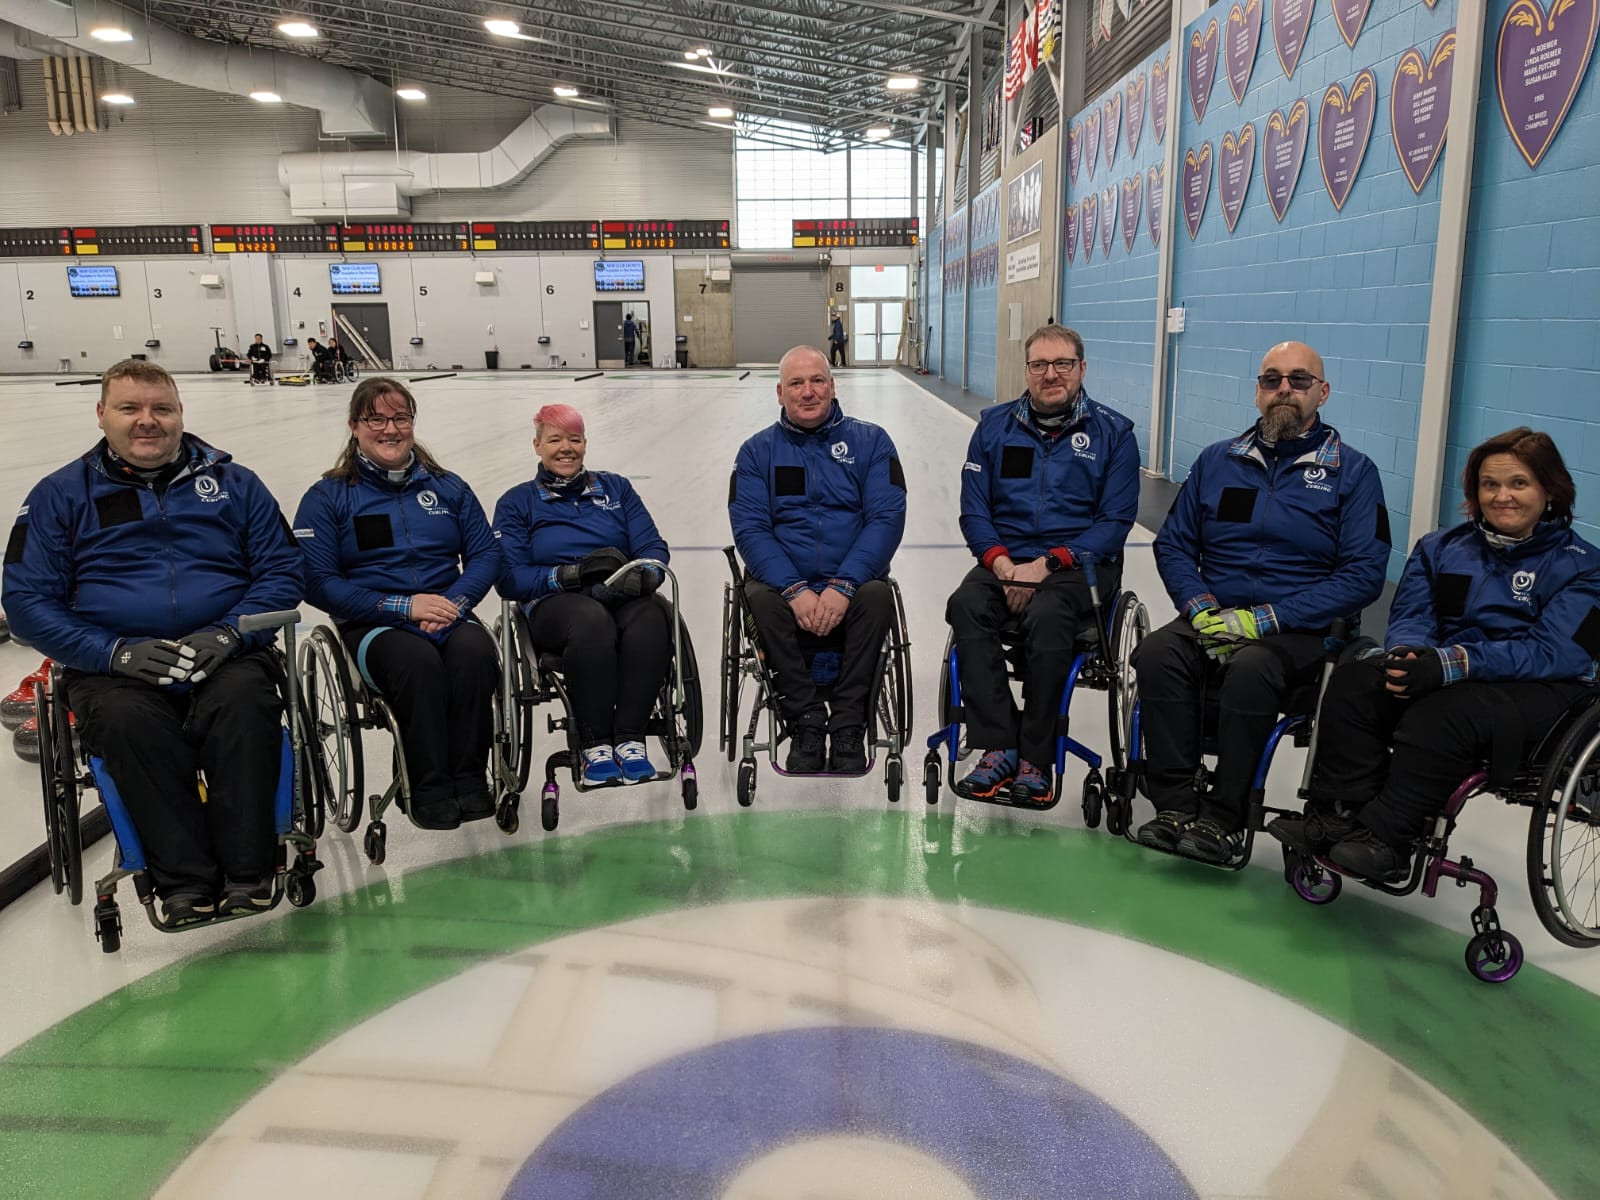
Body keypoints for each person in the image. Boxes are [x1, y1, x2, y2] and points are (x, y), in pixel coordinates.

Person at [1, 359, 303, 924]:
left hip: (226, 652)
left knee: (244, 705)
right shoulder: (58, 496)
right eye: (130, 408)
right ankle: (185, 881)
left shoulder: (236, 484)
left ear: (180, 413)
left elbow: (283, 570)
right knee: (127, 723)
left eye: (161, 408)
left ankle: (249, 870)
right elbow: (25, 601)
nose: (147, 420)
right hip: (114, 665)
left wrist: (230, 631)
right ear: (101, 415)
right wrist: (112, 652)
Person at [1269, 428, 1600, 880]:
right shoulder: (1441, 548)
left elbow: (1553, 651)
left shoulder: (1586, 568)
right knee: (1355, 682)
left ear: (1550, 490)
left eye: (1519, 483)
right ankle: (1339, 814)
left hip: (1543, 689)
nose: (1502, 496)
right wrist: (1409, 655)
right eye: (1489, 484)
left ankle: (1389, 839)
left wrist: (1449, 665)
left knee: (1445, 713)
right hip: (1449, 669)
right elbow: (1412, 614)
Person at [1131, 341, 1390, 864]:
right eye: (1272, 380)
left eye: (1299, 380)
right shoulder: (1216, 461)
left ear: (1322, 392)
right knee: (1157, 654)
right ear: (1257, 393)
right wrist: (1200, 606)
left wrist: (1268, 619)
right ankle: (1175, 804)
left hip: (1302, 631)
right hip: (1215, 615)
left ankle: (1225, 817)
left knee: (1251, 668)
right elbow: (1175, 544)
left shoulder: (1355, 474)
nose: (1284, 390)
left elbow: (1364, 573)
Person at [293, 377, 502, 830]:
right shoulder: (327, 497)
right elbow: (317, 581)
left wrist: (454, 602)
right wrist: (401, 607)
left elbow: (486, 554)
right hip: (373, 621)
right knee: (416, 664)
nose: (390, 429)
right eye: (376, 419)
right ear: (354, 426)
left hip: (447, 612)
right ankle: (426, 786)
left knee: (476, 654)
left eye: (400, 418)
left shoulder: (448, 488)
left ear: (412, 422)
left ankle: (469, 778)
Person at [947, 324, 1140, 805]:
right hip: (1006, 560)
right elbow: (974, 510)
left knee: (1049, 615)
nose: (1050, 374)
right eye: (1039, 365)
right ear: (1027, 370)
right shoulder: (993, 428)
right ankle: (999, 744)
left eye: (1062, 364)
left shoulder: (1115, 434)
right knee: (966, 605)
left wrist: (1048, 564)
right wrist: (1002, 564)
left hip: (1079, 567)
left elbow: (1114, 523)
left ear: (1082, 368)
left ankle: (1036, 756)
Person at [729, 345, 906, 773]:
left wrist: (843, 586)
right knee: (759, 601)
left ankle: (848, 724)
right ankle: (805, 721)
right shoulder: (756, 453)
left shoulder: (872, 442)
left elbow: (886, 518)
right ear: (780, 393)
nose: (808, 392)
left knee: (877, 598)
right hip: (782, 587)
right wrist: (794, 590)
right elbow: (751, 529)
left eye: (817, 381)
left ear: (832, 386)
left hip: (853, 582)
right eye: (796, 383)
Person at [494, 404, 672, 786]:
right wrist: (568, 575)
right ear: (537, 445)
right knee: (591, 622)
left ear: (585, 444)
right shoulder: (516, 502)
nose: (566, 448)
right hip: (555, 602)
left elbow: (652, 547)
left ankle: (630, 738)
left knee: (653, 617)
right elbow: (509, 577)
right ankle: (595, 743)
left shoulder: (617, 489)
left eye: (574, 439)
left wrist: (645, 576)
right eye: (554, 440)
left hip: (616, 591)